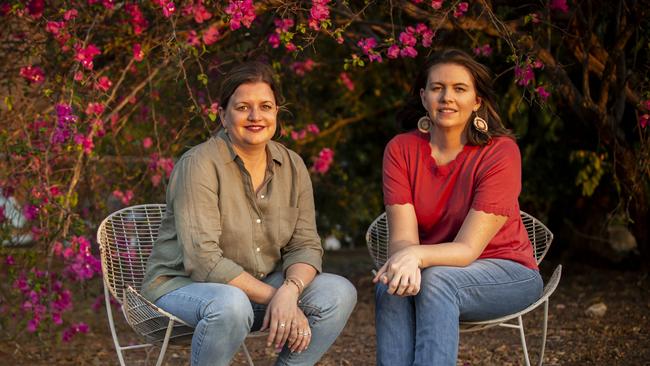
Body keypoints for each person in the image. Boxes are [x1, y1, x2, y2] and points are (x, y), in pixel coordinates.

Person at [141, 61, 357, 366]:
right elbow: (203, 260)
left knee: (338, 292)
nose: (256, 117)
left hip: (256, 287)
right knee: (231, 304)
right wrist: (278, 299)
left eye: (265, 106)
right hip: (182, 288)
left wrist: (290, 290)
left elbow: (305, 246)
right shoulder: (199, 164)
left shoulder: (292, 165)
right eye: (243, 107)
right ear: (223, 115)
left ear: (276, 113)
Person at [373, 49, 543, 365]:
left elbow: (467, 249)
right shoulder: (401, 149)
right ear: (424, 97)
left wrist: (415, 256)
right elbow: (402, 239)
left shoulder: (500, 152)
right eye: (437, 88)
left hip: (508, 271)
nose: (446, 97)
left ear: (477, 100)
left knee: (437, 280)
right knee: (390, 286)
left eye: (459, 89)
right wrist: (408, 258)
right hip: (432, 267)